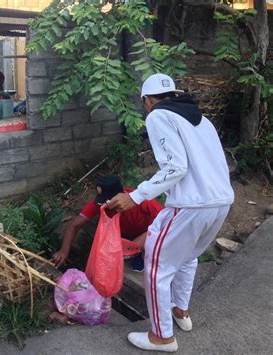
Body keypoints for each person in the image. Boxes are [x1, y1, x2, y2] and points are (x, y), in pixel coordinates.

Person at [106, 73, 234, 352]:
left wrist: (135, 197)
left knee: (156, 269)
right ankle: (180, 311)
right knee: (188, 258)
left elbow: (176, 168)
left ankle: (161, 337)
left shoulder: (158, 116)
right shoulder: (202, 120)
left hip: (191, 205)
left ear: (147, 100)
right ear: (173, 94)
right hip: (221, 201)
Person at [53, 175, 162, 271]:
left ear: (119, 196)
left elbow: (167, 221)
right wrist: (64, 250)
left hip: (146, 233)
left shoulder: (143, 202)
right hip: (122, 235)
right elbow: (74, 226)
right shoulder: (100, 203)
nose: (104, 204)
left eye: (108, 201)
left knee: (133, 247)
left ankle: (142, 253)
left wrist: (148, 236)